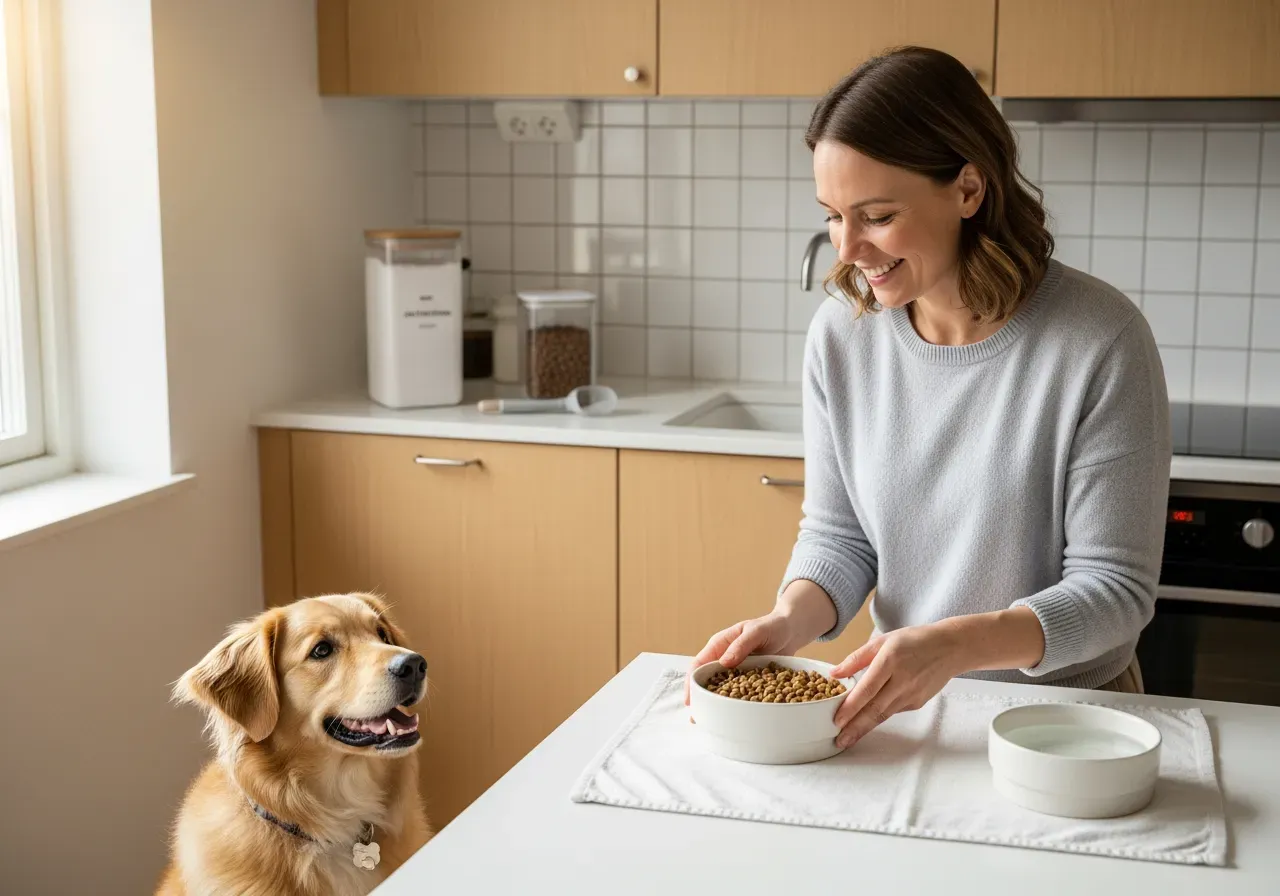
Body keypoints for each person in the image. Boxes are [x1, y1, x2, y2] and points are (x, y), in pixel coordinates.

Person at [685, 46, 1171, 751]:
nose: (847, 248)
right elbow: (841, 536)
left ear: (968, 190)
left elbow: (1114, 594)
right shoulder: (842, 337)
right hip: (904, 708)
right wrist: (788, 620)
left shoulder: (1100, 339)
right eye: (833, 216)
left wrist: (954, 645)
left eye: (877, 215)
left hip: (1072, 725)